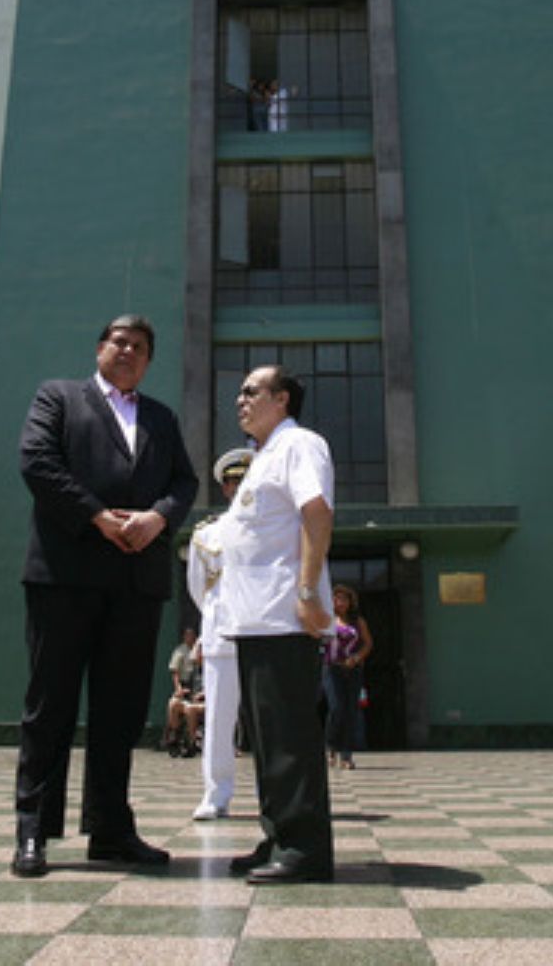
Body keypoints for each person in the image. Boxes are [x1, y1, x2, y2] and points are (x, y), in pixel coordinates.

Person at [10, 315, 198, 878]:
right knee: (51, 707)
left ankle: (111, 830)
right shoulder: (59, 398)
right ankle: (33, 832)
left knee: (120, 714)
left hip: (136, 584)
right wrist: (95, 515)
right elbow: (37, 462)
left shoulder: (161, 417)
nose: (128, 351)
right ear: (99, 348)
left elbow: (184, 483)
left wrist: (158, 517)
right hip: (65, 576)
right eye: (119, 342)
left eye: (140, 347)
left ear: (148, 361)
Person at [218, 364, 336, 883]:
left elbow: (316, 515)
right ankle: (278, 836)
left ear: (282, 399)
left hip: (285, 616)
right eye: (240, 392)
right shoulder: (262, 456)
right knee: (266, 741)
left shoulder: (300, 444)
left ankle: (305, 849)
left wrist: (308, 592)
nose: (240, 400)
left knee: (290, 739)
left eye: (251, 391)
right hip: (253, 621)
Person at [188, 446, 253, 820]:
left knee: (272, 722)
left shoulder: (276, 524)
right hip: (223, 635)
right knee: (218, 719)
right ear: (226, 488)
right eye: (234, 481)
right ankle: (216, 794)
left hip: (267, 632)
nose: (240, 486)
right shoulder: (207, 534)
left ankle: (279, 797)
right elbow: (200, 589)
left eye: (246, 479)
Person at [323, 584, 372, 770]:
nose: (340, 602)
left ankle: (346, 755)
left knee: (351, 711)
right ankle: (330, 748)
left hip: (352, 669)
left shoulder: (357, 621)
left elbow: (368, 643)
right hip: (331, 668)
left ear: (350, 602)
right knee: (336, 708)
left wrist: (357, 657)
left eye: (344, 599)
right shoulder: (326, 619)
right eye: (336, 599)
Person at [164, 627, 204, 755]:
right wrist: (181, 690)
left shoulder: (210, 669)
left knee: (190, 709)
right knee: (173, 703)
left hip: (203, 701)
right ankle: (174, 737)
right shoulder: (182, 654)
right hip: (189, 694)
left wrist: (202, 694)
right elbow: (176, 673)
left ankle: (191, 743)